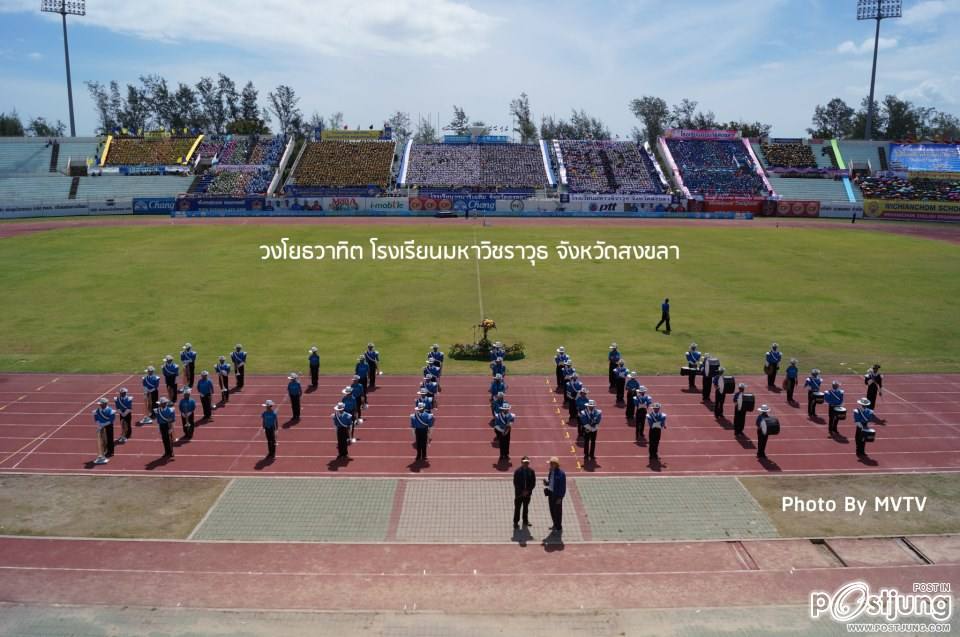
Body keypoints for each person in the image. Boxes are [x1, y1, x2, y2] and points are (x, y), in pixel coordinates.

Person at [543, 457, 566, 532]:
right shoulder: (551, 472)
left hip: (557, 495)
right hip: (551, 494)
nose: (550, 465)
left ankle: (558, 527)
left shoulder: (561, 474)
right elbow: (551, 482)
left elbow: (562, 487)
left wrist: (560, 497)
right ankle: (555, 524)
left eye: (551, 464)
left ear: (556, 464)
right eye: (550, 464)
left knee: (558, 512)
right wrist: (546, 483)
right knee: (552, 510)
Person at [513, 456, 535, 529]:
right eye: (524, 462)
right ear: (521, 462)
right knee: (517, 508)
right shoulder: (517, 471)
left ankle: (525, 521)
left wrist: (528, 491)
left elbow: (533, 483)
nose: (526, 464)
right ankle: (516, 522)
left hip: (527, 494)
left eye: (527, 462)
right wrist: (522, 491)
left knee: (526, 508)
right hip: (519, 494)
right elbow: (516, 483)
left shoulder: (531, 471)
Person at [92, 397, 115, 464]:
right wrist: (99, 425)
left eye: (101, 404)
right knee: (102, 439)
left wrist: (103, 425)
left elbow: (111, 420)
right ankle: (103, 451)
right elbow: (96, 418)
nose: (100, 405)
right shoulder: (97, 411)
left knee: (109, 438)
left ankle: (110, 451)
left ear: (105, 404)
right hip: (101, 426)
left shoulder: (110, 410)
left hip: (108, 426)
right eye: (100, 404)